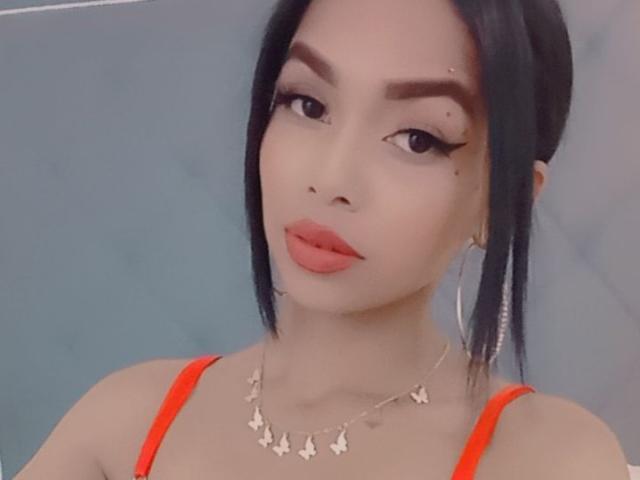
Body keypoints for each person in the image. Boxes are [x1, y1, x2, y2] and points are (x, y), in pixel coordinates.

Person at [15, 0, 632, 478]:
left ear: (503, 200)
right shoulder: (128, 421)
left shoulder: (547, 459)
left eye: (418, 139)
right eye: (307, 104)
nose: (331, 179)